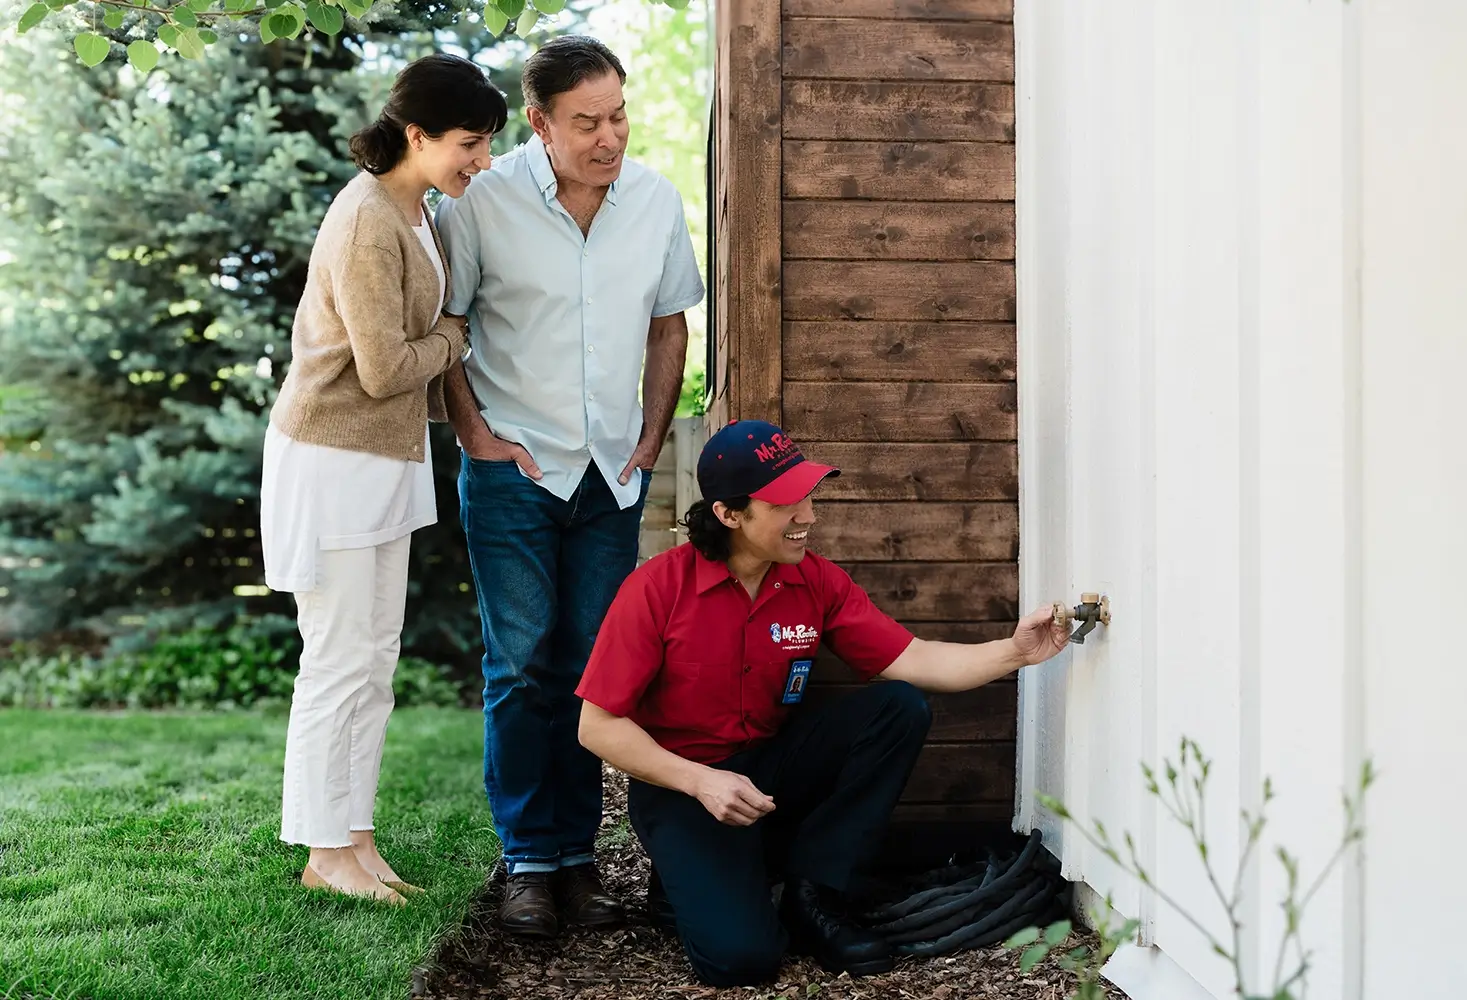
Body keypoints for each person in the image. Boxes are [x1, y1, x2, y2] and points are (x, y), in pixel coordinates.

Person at [574, 420, 1071, 986]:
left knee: (898, 707)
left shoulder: (816, 582)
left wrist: (1016, 652)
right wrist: (699, 782)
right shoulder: (656, 589)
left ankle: (813, 895)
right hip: (683, 786)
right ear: (729, 514)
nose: (808, 514)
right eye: (787, 502)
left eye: (809, 494)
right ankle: (701, 878)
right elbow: (597, 726)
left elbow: (917, 659)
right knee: (742, 962)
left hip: (770, 768)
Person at [434, 35, 705, 937]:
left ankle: (578, 862)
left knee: (597, 672)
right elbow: (449, 326)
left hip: (610, 475)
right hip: (516, 471)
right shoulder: (483, 202)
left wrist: (654, 438)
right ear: (540, 123)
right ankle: (526, 860)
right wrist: (474, 435)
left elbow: (670, 327)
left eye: (618, 114)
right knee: (521, 667)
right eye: (586, 122)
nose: (609, 137)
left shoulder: (656, 202)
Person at [259, 54, 506, 904]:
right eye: (470, 143)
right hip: (333, 460)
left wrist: (441, 337)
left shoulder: (418, 209)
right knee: (337, 658)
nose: (481, 159)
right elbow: (380, 367)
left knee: (375, 657)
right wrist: (454, 338)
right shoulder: (366, 219)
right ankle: (323, 851)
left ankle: (354, 835)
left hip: (384, 459)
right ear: (416, 134)